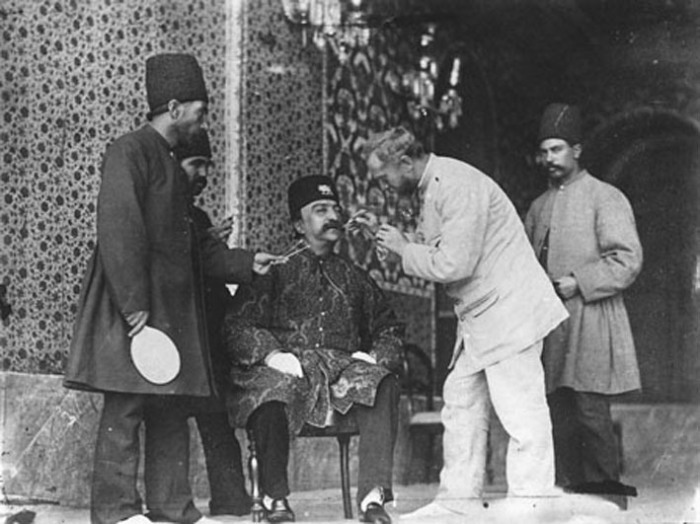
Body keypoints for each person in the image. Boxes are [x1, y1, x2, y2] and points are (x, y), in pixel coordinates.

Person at [64, 53, 279, 524]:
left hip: (170, 312)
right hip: (136, 309)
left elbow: (193, 246)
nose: (203, 122)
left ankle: (173, 510)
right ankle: (117, 513)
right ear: (175, 107)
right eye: (199, 112)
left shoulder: (168, 162)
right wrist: (134, 306)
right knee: (126, 409)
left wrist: (246, 263)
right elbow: (119, 230)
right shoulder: (128, 151)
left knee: (169, 409)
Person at [366, 126, 569, 519]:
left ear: (405, 162)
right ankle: (456, 504)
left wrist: (403, 249)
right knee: (460, 404)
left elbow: (454, 264)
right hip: (482, 317)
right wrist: (393, 240)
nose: (382, 184)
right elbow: (441, 249)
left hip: (509, 313)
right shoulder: (434, 187)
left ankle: (533, 507)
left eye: (382, 175)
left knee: (521, 414)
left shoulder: (457, 184)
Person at [222, 175, 405, 524]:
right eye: (320, 210)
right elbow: (237, 326)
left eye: (335, 209)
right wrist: (272, 355)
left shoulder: (355, 276)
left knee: (383, 383)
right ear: (298, 224)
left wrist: (373, 358)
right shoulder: (273, 271)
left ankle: (373, 498)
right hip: (287, 367)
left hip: (340, 373)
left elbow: (389, 328)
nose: (333, 216)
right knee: (272, 389)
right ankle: (275, 497)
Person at [524, 103, 642, 507]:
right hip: (552, 326)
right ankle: (570, 504)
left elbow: (627, 260)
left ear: (576, 150)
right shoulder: (538, 207)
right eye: (544, 151)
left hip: (591, 319)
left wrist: (580, 281)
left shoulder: (605, 197)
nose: (549, 158)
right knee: (559, 415)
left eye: (557, 149)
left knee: (591, 413)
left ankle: (608, 505)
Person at [173, 129, 252, 517]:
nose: (203, 173)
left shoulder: (198, 216)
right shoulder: (165, 213)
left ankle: (231, 499)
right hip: (178, 336)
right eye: (195, 164)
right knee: (172, 424)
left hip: (207, 338)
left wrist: (211, 243)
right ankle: (174, 505)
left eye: (207, 164)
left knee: (217, 420)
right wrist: (206, 244)